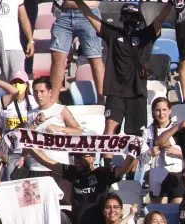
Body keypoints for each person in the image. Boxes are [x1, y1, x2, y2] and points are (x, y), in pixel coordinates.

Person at [71, 0, 171, 135]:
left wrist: (171, 3)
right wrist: (78, 2)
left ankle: (131, 157)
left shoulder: (146, 35)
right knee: (110, 125)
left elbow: (160, 19)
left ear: (139, 19)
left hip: (138, 93)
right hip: (115, 91)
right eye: (127, 16)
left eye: (133, 17)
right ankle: (107, 157)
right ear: (122, 18)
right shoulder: (113, 34)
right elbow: (91, 17)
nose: (130, 20)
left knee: (136, 137)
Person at [49, 0, 106, 99]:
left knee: (95, 59)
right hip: (64, 14)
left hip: (89, 13)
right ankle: (52, 103)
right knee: (57, 59)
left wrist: (73, 4)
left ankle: (103, 101)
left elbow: (96, 3)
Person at [145, 97, 185, 203]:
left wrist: (178, 153)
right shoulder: (147, 131)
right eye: (158, 110)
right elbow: (140, 160)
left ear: (170, 111)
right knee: (158, 214)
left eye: (164, 110)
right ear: (153, 112)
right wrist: (150, 153)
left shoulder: (179, 129)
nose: (161, 113)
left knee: (176, 212)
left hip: (177, 176)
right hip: (156, 177)